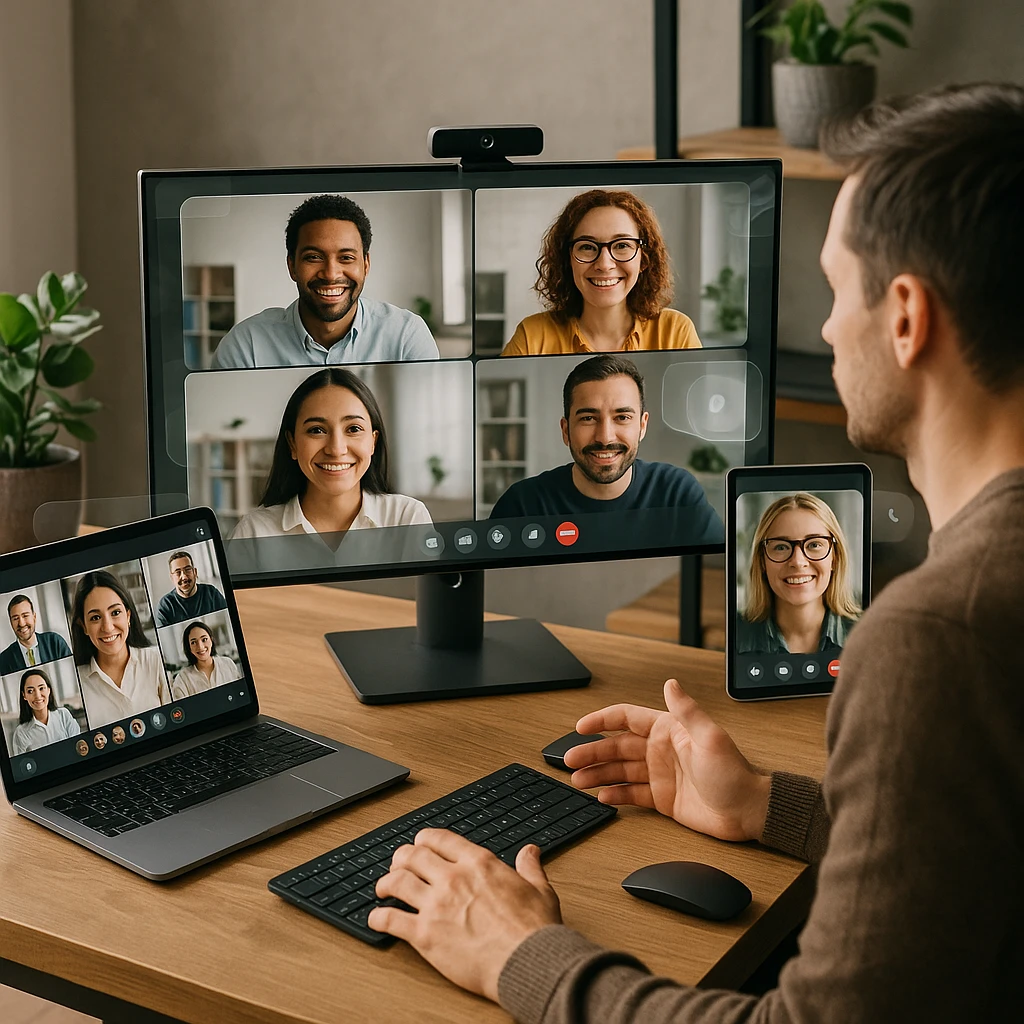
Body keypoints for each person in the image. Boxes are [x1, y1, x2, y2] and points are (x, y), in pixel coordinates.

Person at [365, 84, 1024, 1020]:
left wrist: (523, 953)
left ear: (908, 318)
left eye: (838, 291)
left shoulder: (937, 636)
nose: (830, 327)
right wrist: (766, 805)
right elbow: (982, 847)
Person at [489, 354, 721, 542]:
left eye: (622, 417)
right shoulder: (522, 506)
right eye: (588, 418)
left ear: (642, 426)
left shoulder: (676, 493)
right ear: (565, 430)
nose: (605, 437)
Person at [210, 194, 438, 368]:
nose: (330, 274)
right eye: (313, 257)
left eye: (346, 258)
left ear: (366, 264)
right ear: (292, 266)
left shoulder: (406, 336)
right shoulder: (245, 345)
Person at [230, 368, 432, 539]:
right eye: (316, 430)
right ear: (292, 444)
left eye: (353, 429)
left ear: (373, 442)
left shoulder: (407, 518)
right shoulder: (254, 532)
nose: (336, 449)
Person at [501, 189, 702, 356]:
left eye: (622, 245)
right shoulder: (532, 337)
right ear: (567, 260)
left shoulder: (675, 331)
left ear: (644, 259)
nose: (604, 264)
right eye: (587, 247)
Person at [735, 493, 861, 654]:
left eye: (814, 544)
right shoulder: (735, 632)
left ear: (834, 558)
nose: (797, 561)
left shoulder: (866, 633)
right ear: (762, 561)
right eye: (781, 547)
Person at [71, 570, 172, 730]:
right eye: (95, 617)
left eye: (116, 613)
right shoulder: (79, 680)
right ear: (84, 626)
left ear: (128, 616)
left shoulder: (154, 659)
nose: (108, 627)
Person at [10, 668, 80, 755]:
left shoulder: (63, 715)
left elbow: (78, 746)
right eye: (30, 691)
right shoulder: (21, 732)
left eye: (41, 688)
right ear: (24, 695)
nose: (38, 696)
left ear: (49, 690)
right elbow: (21, 764)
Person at [0, 594, 72, 675]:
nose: (21, 623)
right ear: (11, 622)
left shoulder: (55, 642)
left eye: (25, 616)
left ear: (34, 617)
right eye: (15, 618)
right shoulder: (3, 660)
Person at [154, 550, 227, 627]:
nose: (184, 577)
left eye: (188, 569)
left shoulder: (211, 593)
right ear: (172, 578)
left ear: (195, 572)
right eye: (178, 572)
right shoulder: (165, 605)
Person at [171, 621, 240, 698]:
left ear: (211, 640)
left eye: (204, 639)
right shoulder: (182, 679)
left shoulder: (228, 664)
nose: (200, 647)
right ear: (189, 648)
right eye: (193, 642)